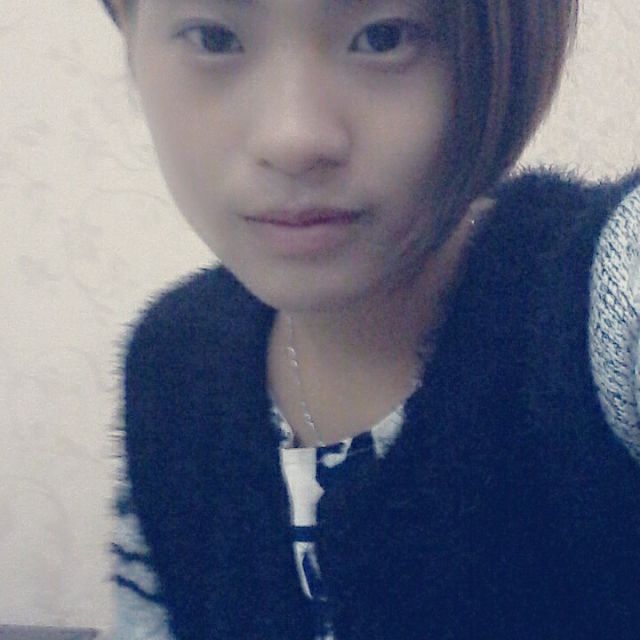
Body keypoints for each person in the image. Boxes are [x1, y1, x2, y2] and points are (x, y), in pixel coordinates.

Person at [102, 0, 640, 638]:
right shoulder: (172, 368)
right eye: (214, 39)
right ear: (129, 34)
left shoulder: (593, 306)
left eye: (383, 37)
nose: (292, 140)